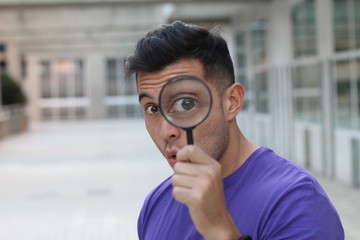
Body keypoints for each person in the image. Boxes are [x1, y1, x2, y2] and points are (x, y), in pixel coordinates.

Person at [124, 21, 344, 240]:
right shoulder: (156, 204)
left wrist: (221, 231)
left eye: (186, 104)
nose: (166, 131)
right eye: (152, 108)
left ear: (232, 102)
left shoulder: (295, 202)